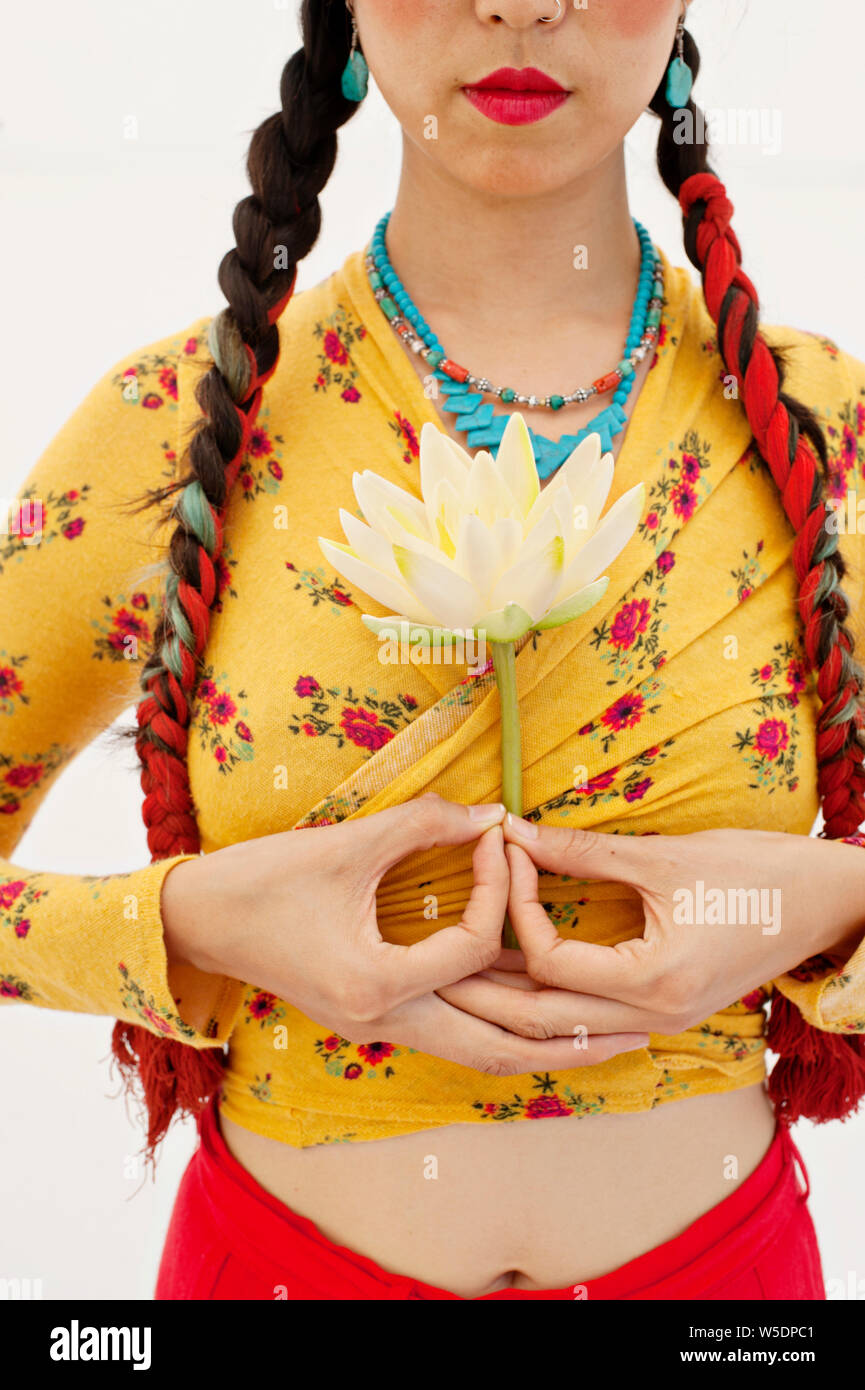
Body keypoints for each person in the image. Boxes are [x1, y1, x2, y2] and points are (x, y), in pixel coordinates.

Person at [4, 0, 865, 1302]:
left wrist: (814, 905)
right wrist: (191, 921)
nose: (521, 4)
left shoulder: (819, 433)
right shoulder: (182, 429)